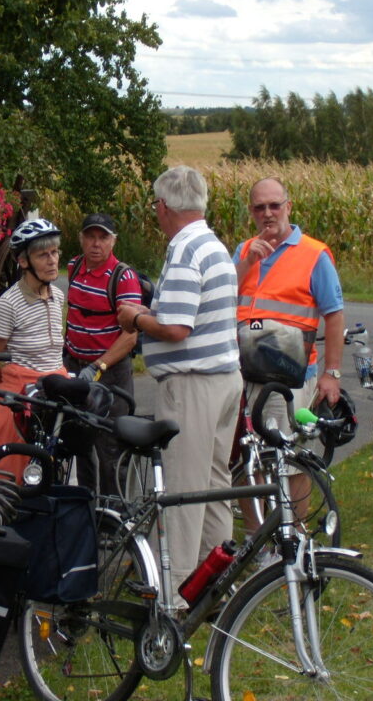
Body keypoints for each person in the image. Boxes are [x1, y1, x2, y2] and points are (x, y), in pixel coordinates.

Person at [115, 166, 242, 605]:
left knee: (184, 490)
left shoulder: (186, 249)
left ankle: (177, 590)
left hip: (192, 385)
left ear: (164, 206)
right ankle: (216, 577)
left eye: (155, 205)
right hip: (224, 379)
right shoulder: (215, 246)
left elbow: (175, 328)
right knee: (214, 485)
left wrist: (135, 317)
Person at [234, 176, 345, 538]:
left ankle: (294, 535)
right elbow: (223, 298)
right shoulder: (244, 250)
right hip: (244, 374)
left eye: (274, 205)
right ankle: (257, 539)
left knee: (292, 459)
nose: (268, 214)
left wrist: (332, 373)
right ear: (251, 212)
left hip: (292, 378)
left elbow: (334, 315)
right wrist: (247, 262)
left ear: (288, 207)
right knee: (249, 458)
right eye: (259, 207)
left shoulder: (314, 254)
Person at [0, 218, 68, 475]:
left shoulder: (57, 295)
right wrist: (3, 397)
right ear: (24, 261)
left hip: (54, 390)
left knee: (52, 467)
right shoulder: (9, 303)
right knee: (9, 469)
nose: (52, 260)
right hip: (21, 393)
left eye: (54, 252)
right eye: (42, 255)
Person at [64, 212, 142, 496]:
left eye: (103, 237)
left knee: (110, 450)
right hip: (75, 367)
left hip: (110, 374)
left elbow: (130, 334)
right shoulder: (73, 267)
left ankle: (113, 522)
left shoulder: (123, 277)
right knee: (80, 444)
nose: (96, 244)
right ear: (81, 239)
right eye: (90, 236)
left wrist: (99, 364)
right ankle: (85, 509)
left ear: (113, 242)